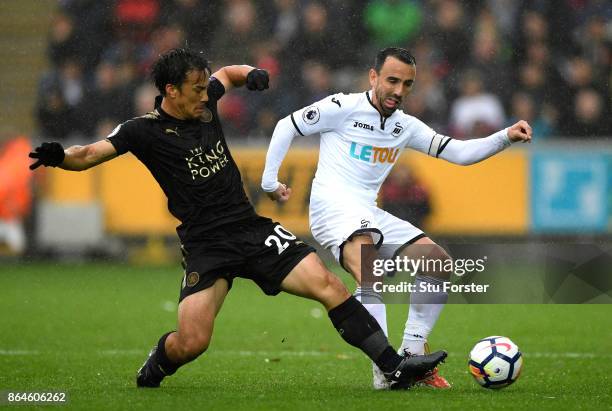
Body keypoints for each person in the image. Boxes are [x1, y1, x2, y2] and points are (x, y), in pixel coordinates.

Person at [28, 48, 447, 389]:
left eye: (204, 88)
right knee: (192, 342)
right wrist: (58, 157)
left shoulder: (204, 97)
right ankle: (157, 363)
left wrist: (252, 74)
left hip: (250, 228)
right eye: (196, 90)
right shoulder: (141, 131)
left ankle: (394, 367)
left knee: (328, 284)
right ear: (170, 91)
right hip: (206, 244)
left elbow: (227, 74)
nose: (204, 96)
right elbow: (87, 156)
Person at [261, 47, 532, 389]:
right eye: (392, 81)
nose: (399, 91)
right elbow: (288, 126)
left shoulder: (405, 126)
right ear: (373, 77)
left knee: (438, 263)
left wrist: (504, 137)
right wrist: (269, 181)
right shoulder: (343, 107)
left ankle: (412, 352)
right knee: (370, 269)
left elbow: (459, 153)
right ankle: (386, 369)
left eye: (407, 84)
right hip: (331, 206)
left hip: (367, 211)